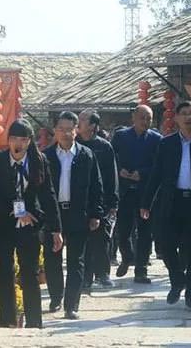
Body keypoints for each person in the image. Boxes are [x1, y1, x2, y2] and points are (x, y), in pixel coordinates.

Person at [0, 119, 63, 329]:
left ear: (29, 141)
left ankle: (34, 321)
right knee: (6, 270)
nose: (18, 144)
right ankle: (7, 320)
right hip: (4, 223)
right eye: (14, 139)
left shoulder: (39, 160)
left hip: (31, 224)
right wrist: (16, 210)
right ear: (8, 140)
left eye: (23, 139)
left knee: (30, 271)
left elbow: (48, 195)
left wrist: (56, 229)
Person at [141, 101, 191, 312]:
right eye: (183, 114)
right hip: (172, 202)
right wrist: (146, 202)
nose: (187, 117)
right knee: (166, 246)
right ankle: (177, 280)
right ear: (176, 118)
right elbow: (156, 173)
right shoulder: (167, 144)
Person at [44, 111, 105, 320]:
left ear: (76, 130)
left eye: (69, 129)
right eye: (61, 129)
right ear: (55, 131)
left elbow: (97, 186)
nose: (65, 133)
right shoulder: (46, 156)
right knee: (52, 258)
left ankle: (72, 305)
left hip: (78, 213)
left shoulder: (86, 155)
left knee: (76, 261)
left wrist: (96, 213)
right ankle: (56, 296)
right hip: (54, 214)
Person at [111, 105, 162, 284]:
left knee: (145, 232)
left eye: (149, 119)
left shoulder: (156, 139)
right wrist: (120, 170)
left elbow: (159, 165)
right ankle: (127, 257)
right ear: (134, 118)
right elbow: (112, 158)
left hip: (145, 191)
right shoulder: (121, 136)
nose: (145, 122)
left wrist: (142, 173)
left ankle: (141, 269)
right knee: (123, 231)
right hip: (124, 190)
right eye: (142, 118)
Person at [77, 109, 119, 290]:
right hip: (80, 199)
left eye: (82, 120)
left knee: (101, 239)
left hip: (101, 200)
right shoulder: (75, 144)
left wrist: (113, 202)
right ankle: (85, 277)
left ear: (93, 125)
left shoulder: (104, 146)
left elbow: (112, 176)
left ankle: (102, 274)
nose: (78, 123)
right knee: (83, 241)